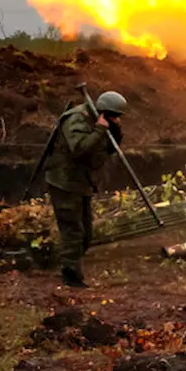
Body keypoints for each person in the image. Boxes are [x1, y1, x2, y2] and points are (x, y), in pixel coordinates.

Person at [44, 90, 127, 288]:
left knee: (86, 233)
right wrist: (99, 130)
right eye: (113, 115)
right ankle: (71, 275)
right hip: (64, 182)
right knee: (73, 230)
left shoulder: (100, 121)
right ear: (103, 112)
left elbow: (107, 149)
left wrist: (114, 131)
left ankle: (71, 264)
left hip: (82, 182)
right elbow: (79, 149)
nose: (116, 119)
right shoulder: (77, 119)